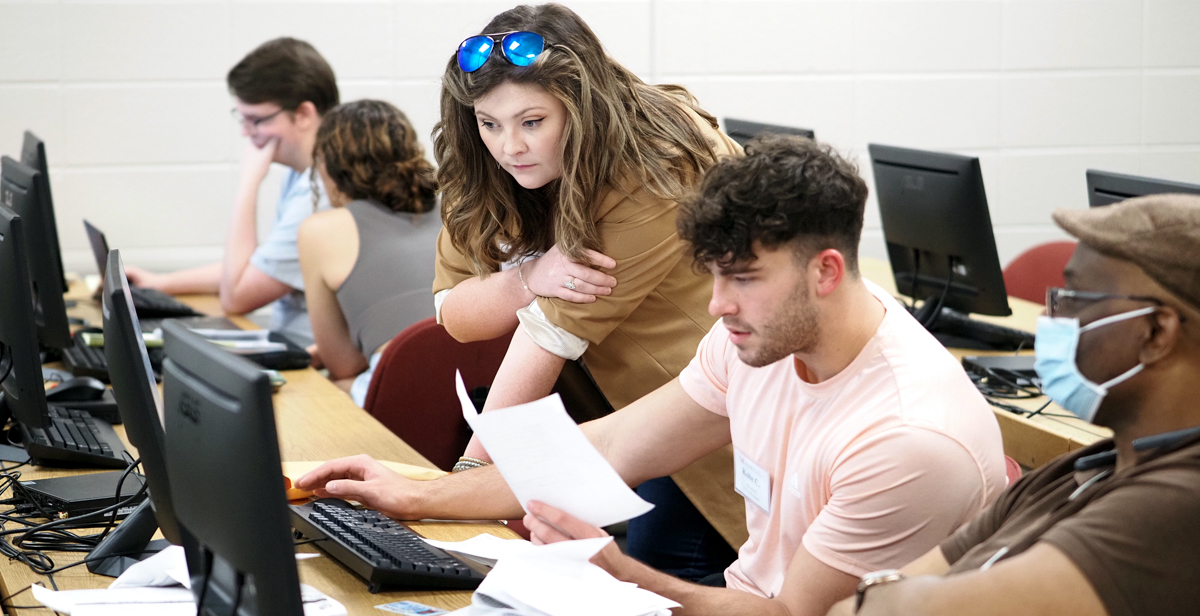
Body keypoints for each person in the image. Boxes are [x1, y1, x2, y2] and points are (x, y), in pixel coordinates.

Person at [297, 135, 1008, 616]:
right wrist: (418, 496)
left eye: (743, 280)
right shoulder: (759, 337)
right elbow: (607, 451)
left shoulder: (907, 438)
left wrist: (622, 574)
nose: (716, 305)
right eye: (713, 277)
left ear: (826, 272)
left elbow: (787, 614)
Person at [430, 4, 742, 579]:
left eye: (532, 122)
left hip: (723, 426)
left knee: (675, 581)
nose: (510, 147)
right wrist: (528, 277)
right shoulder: (495, 162)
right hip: (642, 419)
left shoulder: (657, 163)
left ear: (582, 105)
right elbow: (455, 313)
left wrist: (455, 493)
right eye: (489, 123)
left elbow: (547, 337)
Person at [822, 193, 1200, 616]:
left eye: (1074, 298)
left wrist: (887, 597)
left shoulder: (1179, 504)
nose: (1051, 319)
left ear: (1155, 332)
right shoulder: (1079, 471)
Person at [126, 37, 338, 346]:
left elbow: (237, 296)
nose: (246, 132)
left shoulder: (320, 193)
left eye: (256, 120)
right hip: (294, 346)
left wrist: (249, 182)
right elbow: (260, 267)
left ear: (304, 114)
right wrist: (161, 284)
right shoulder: (303, 175)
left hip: (311, 364)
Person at [297, 100, 440, 405]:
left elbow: (344, 364)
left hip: (405, 391)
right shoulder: (457, 204)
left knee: (329, 386)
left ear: (328, 166)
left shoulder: (320, 230)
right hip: (488, 381)